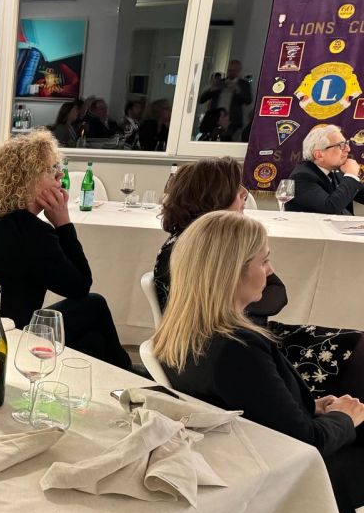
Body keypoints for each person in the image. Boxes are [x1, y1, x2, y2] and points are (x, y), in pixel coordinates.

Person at [152, 211, 364, 513]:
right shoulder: (237, 347)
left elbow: (252, 404)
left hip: (251, 452)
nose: (270, 270)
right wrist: (344, 418)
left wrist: (312, 406)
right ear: (232, 273)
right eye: (264, 261)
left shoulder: (181, 333)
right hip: (287, 475)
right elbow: (306, 441)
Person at [155, 158, 364, 398]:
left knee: (356, 344)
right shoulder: (200, 249)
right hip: (231, 349)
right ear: (213, 195)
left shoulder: (220, 241)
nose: (244, 192)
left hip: (251, 335)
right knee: (355, 354)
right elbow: (254, 304)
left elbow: (278, 295)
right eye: (236, 187)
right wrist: (255, 296)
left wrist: (253, 294)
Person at [0, 130, 132, 370]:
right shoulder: (31, 232)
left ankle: (119, 370)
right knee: (94, 305)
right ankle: (128, 373)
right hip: (5, 337)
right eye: (49, 169)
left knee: (94, 342)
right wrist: (63, 224)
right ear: (26, 180)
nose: (59, 174)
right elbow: (80, 286)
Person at [287, 124, 364, 216]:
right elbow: (330, 208)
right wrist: (351, 176)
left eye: (346, 143)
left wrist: (352, 176)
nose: (348, 149)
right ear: (319, 155)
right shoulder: (301, 177)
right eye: (341, 145)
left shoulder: (335, 172)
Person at [197, 60, 251, 141]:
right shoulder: (220, 82)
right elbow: (202, 100)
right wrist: (212, 89)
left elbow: (248, 100)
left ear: (238, 71)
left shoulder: (244, 84)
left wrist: (238, 90)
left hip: (233, 121)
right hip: (215, 119)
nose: (231, 73)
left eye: (233, 70)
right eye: (229, 70)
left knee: (227, 141)